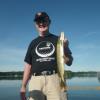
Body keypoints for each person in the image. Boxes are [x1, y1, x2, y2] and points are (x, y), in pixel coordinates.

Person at [20, 12, 73, 100]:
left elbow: (69, 62)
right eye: (38, 21)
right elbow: (28, 65)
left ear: (49, 22)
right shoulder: (32, 43)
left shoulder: (59, 40)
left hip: (56, 80)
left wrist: (65, 48)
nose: (41, 23)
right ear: (35, 24)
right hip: (35, 81)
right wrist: (23, 86)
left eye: (44, 20)